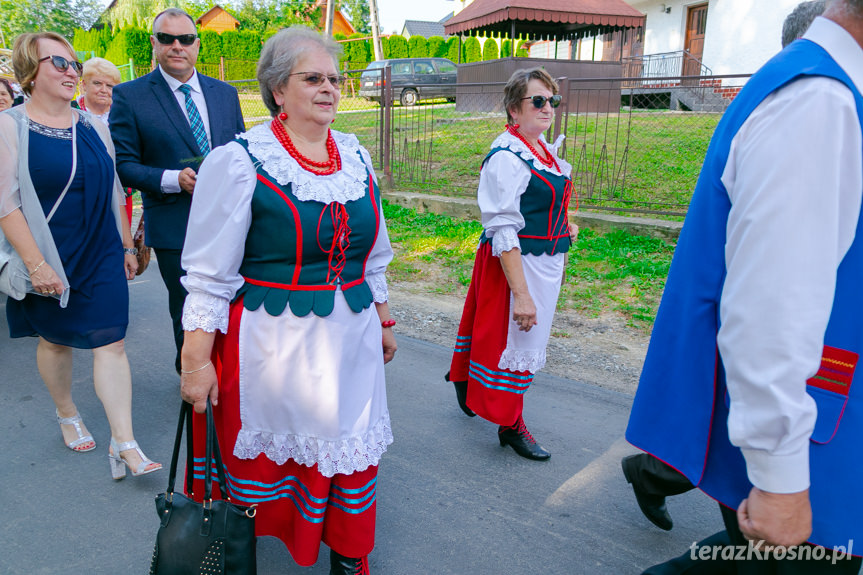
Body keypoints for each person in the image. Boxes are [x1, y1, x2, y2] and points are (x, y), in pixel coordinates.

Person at [625, 0, 863, 572]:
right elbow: (767, 311)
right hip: (814, 432)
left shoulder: (823, 93)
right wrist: (781, 478)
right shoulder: (820, 102)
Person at [179, 27, 396, 574]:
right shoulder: (239, 160)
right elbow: (208, 275)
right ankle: (236, 558)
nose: (329, 88)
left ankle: (348, 557)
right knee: (265, 464)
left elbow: (374, 253)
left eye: (334, 79)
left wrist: (385, 319)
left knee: (350, 451)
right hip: (272, 347)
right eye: (313, 78)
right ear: (279, 89)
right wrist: (196, 361)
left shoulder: (354, 154)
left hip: (351, 344)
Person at [0, 32, 160, 479]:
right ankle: (66, 411)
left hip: (101, 250)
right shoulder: (10, 126)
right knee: (54, 339)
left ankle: (124, 443)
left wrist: (127, 245)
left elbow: (112, 188)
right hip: (48, 251)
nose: (73, 72)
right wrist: (37, 264)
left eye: (75, 64)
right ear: (31, 72)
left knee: (113, 341)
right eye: (61, 64)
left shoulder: (93, 125)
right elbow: (6, 203)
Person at [446, 68, 577, 461]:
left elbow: (548, 200)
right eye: (537, 100)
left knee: (518, 340)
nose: (547, 107)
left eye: (551, 100)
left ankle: (465, 378)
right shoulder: (506, 157)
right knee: (520, 339)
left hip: (547, 262)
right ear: (512, 110)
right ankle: (510, 423)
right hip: (517, 263)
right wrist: (521, 294)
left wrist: (564, 222)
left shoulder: (542, 150)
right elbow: (503, 227)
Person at [109, 8, 245, 374]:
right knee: (189, 309)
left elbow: (243, 153)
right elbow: (123, 165)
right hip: (174, 225)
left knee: (235, 302)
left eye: (185, 39)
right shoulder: (129, 96)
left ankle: (231, 377)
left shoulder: (225, 94)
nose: (177, 46)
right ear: (154, 44)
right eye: (167, 39)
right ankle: (194, 381)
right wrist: (172, 178)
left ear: (196, 44)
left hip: (231, 223)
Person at [72, 58, 119, 125]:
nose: (104, 90)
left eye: (109, 86)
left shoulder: (122, 113)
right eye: (97, 83)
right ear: (84, 85)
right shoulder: (69, 111)